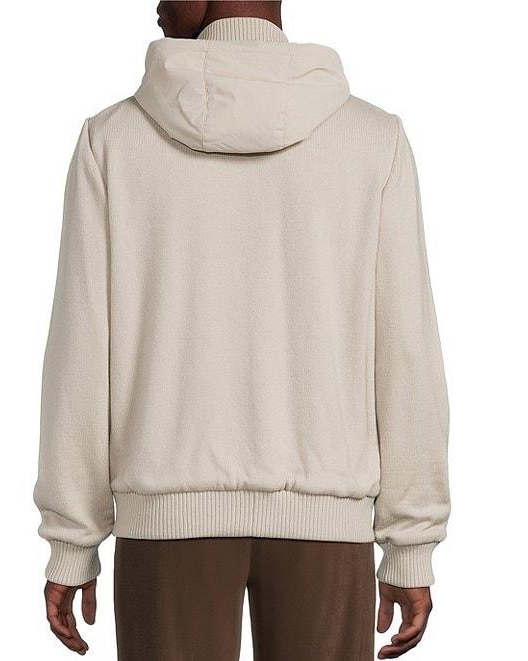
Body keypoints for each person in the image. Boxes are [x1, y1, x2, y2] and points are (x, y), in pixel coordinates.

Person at [34, 2, 450, 659]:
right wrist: (411, 543)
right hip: (328, 523)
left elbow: (80, 353)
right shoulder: (372, 140)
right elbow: (407, 351)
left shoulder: (112, 141)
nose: (157, 4)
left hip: (166, 525)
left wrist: (72, 538)